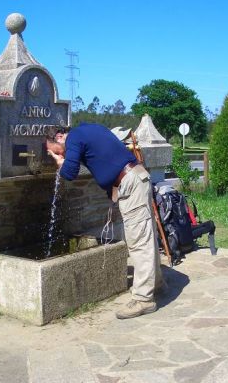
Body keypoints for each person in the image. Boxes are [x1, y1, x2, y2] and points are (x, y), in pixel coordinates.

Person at [46, 123, 164, 319]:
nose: (53, 154)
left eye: (51, 151)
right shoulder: (86, 130)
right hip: (134, 179)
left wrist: (60, 162)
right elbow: (105, 159)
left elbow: (69, 173)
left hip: (131, 182)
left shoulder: (73, 137)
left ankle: (144, 299)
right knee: (145, 235)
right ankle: (156, 284)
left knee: (138, 241)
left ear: (59, 137)